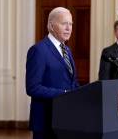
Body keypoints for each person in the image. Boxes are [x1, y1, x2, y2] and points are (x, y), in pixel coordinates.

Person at [26, 7, 79, 139]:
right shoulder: (38, 50)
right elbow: (33, 88)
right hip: (46, 121)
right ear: (51, 25)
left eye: (71, 24)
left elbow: (73, 82)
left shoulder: (67, 50)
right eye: (64, 23)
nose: (69, 28)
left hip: (66, 119)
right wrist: (64, 94)